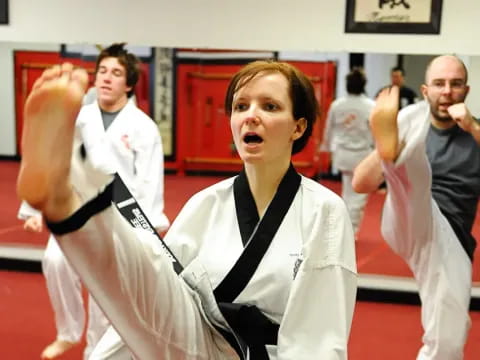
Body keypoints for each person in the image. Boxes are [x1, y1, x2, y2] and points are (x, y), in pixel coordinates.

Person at [17, 60, 357, 359]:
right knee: (150, 257)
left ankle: (70, 194)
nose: (251, 115)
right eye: (241, 106)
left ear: (298, 127)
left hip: (267, 354)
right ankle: (65, 197)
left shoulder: (323, 211)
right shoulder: (206, 203)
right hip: (195, 343)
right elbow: (154, 294)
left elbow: (321, 331)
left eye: (269, 106)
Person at [18, 43, 169, 360]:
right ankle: (68, 332)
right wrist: (34, 209)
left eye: (115, 73)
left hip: (118, 216)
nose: (106, 78)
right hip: (74, 204)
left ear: (128, 84)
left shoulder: (143, 128)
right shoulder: (77, 116)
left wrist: (146, 227)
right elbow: (53, 159)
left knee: (105, 291)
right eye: (102, 71)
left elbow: (149, 181)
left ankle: (95, 352)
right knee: (55, 261)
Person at [353, 55, 480, 359]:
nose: (447, 91)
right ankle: (395, 154)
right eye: (439, 84)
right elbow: (360, 183)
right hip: (407, 214)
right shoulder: (417, 126)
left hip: (450, 239)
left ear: (467, 90)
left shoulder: (477, 135)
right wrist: (384, 153)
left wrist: (473, 127)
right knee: (416, 184)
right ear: (426, 90)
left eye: (455, 84)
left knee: (448, 334)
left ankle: (397, 156)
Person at [321, 67, 375, 237]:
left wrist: (326, 147)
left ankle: (343, 227)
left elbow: (329, 128)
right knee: (358, 195)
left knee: (346, 191)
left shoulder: (338, 105)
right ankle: (351, 230)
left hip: (343, 154)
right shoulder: (370, 106)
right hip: (362, 155)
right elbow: (375, 131)